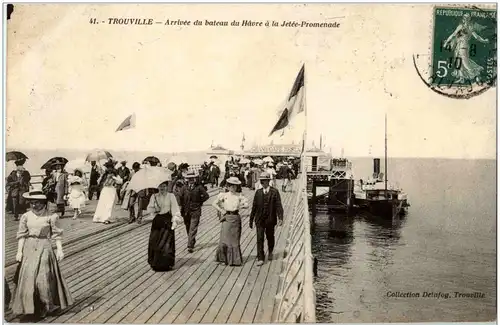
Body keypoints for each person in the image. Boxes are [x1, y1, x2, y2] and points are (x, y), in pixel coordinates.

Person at [12, 191, 73, 321]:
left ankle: (46, 305)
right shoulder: (26, 216)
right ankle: (29, 307)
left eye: (37, 203)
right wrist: (19, 252)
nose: (34, 205)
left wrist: (60, 250)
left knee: (43, 278)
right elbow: (22, 235)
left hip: (45, 246)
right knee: (28, 278)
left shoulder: (52, 216)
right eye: (32, 203)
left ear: (44, 203)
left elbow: (57, 235)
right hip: (29, 247)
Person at [212, 177, 249, 266]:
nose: (233, 188)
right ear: (228, 187)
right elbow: (214, 203)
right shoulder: (223, 195)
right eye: (231, 186)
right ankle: (223, 259)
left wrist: (241, 206)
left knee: (234, 240)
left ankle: (234, 260)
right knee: (224, 239)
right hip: (227, 218)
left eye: (235, 186)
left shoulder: (239, 195)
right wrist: (222, 210)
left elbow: (247, 204)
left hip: (236, 218)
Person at [147, 181, 183, 271]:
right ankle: (155, 263)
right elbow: (149, 209)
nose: (162, 188)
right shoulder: (154, 196)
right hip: (157, 221)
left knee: (166, 243)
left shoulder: (171, 196)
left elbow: (175, 209)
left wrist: (175, 221)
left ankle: (166, 264)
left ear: (167, 187)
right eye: (160, 186)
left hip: (167, 221)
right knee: (154, 241)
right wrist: (154, 208)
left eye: (164, 186)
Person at [249, 172, 284, 266]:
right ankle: (260, 257)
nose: (262, 183)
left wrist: (280, 218)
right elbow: (254, 207)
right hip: (259, 219)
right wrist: (251, 219)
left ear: (268, 181)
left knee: (270, 237)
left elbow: (278, 205)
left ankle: (270, 251)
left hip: (270, 219)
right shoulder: (258, 192)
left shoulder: (274, 192)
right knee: (259, 238)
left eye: (264, 181)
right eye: (261, 181)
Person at [181, 172, 209, 253]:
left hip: (196, 210)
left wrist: (200, 202)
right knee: (188, 227)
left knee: (193, 228)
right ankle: (192, 240)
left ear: (195, 179)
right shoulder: (184, 188)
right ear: (187, 179)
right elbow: (179, 196)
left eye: (192, 178)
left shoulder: (199, 187)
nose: (191, 180)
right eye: (189, 179)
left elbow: (206, 196)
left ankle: (190, 246)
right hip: (186, 211)